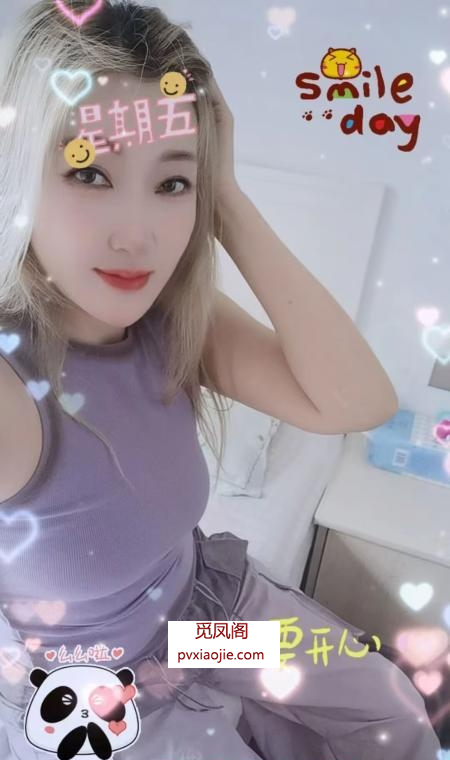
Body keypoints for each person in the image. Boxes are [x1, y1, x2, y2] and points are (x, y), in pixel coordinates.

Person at [0, 1, 441, 758]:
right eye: (89, 172)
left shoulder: (176, 320)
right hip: (96, 696)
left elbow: (358, 403)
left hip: (204, 621)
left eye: (171, 184)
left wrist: (225, 198)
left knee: (391, 715)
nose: (137, 235)